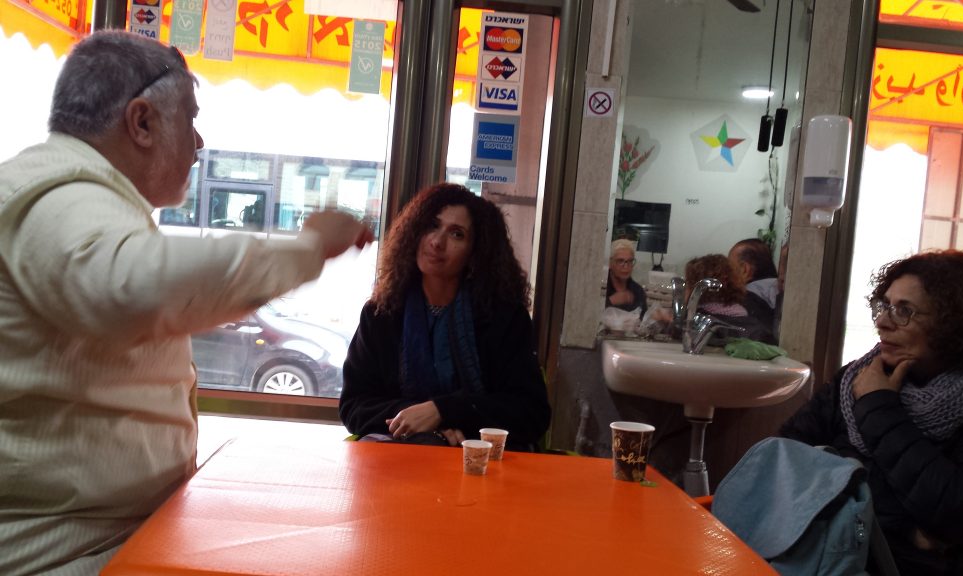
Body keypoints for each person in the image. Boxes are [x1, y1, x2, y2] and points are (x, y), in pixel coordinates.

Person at [0, 31, 373, 574]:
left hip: (112, 535)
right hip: (66, 553)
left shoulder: (72, 192)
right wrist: (308, 247)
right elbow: (131, 287)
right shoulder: (59, 194)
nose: (198, 143)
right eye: (190, 119)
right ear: (142, 122)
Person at [779, 250, 963, 576]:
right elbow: (785, 457)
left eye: (904, 311)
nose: (882, 321)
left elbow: (961, 513)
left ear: (955, 323)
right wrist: (906, 527)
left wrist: (878, 406)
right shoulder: (856, 376)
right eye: (884, 306)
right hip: (814, 552)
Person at [339, 183, 551, 452]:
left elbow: (531, 413)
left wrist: (443, 411)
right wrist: (420, 420)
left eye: (457, 234)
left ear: (476, 252)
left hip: (481, 463)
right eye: (432, 226)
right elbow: (354, 406)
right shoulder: (381, 313)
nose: (437, 242)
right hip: (400, 461)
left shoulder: (504, 317)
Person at [683, 254, 775, 344]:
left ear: (697, 288)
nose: (684, 290)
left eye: (687, 283)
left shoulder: (696, 325)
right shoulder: (756, 326)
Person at [728, 238, 779, 328]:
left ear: (744, 270)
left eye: (730, 268)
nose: (727, 274)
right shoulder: (783, 289)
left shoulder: (744, 301)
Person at [605, 238, 647, 319]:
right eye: (620, 261)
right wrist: (611, 301)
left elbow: (643, 322)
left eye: (630, 261)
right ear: (610, 263)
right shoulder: (602, 287)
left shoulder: (638, 291)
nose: (626, 266)